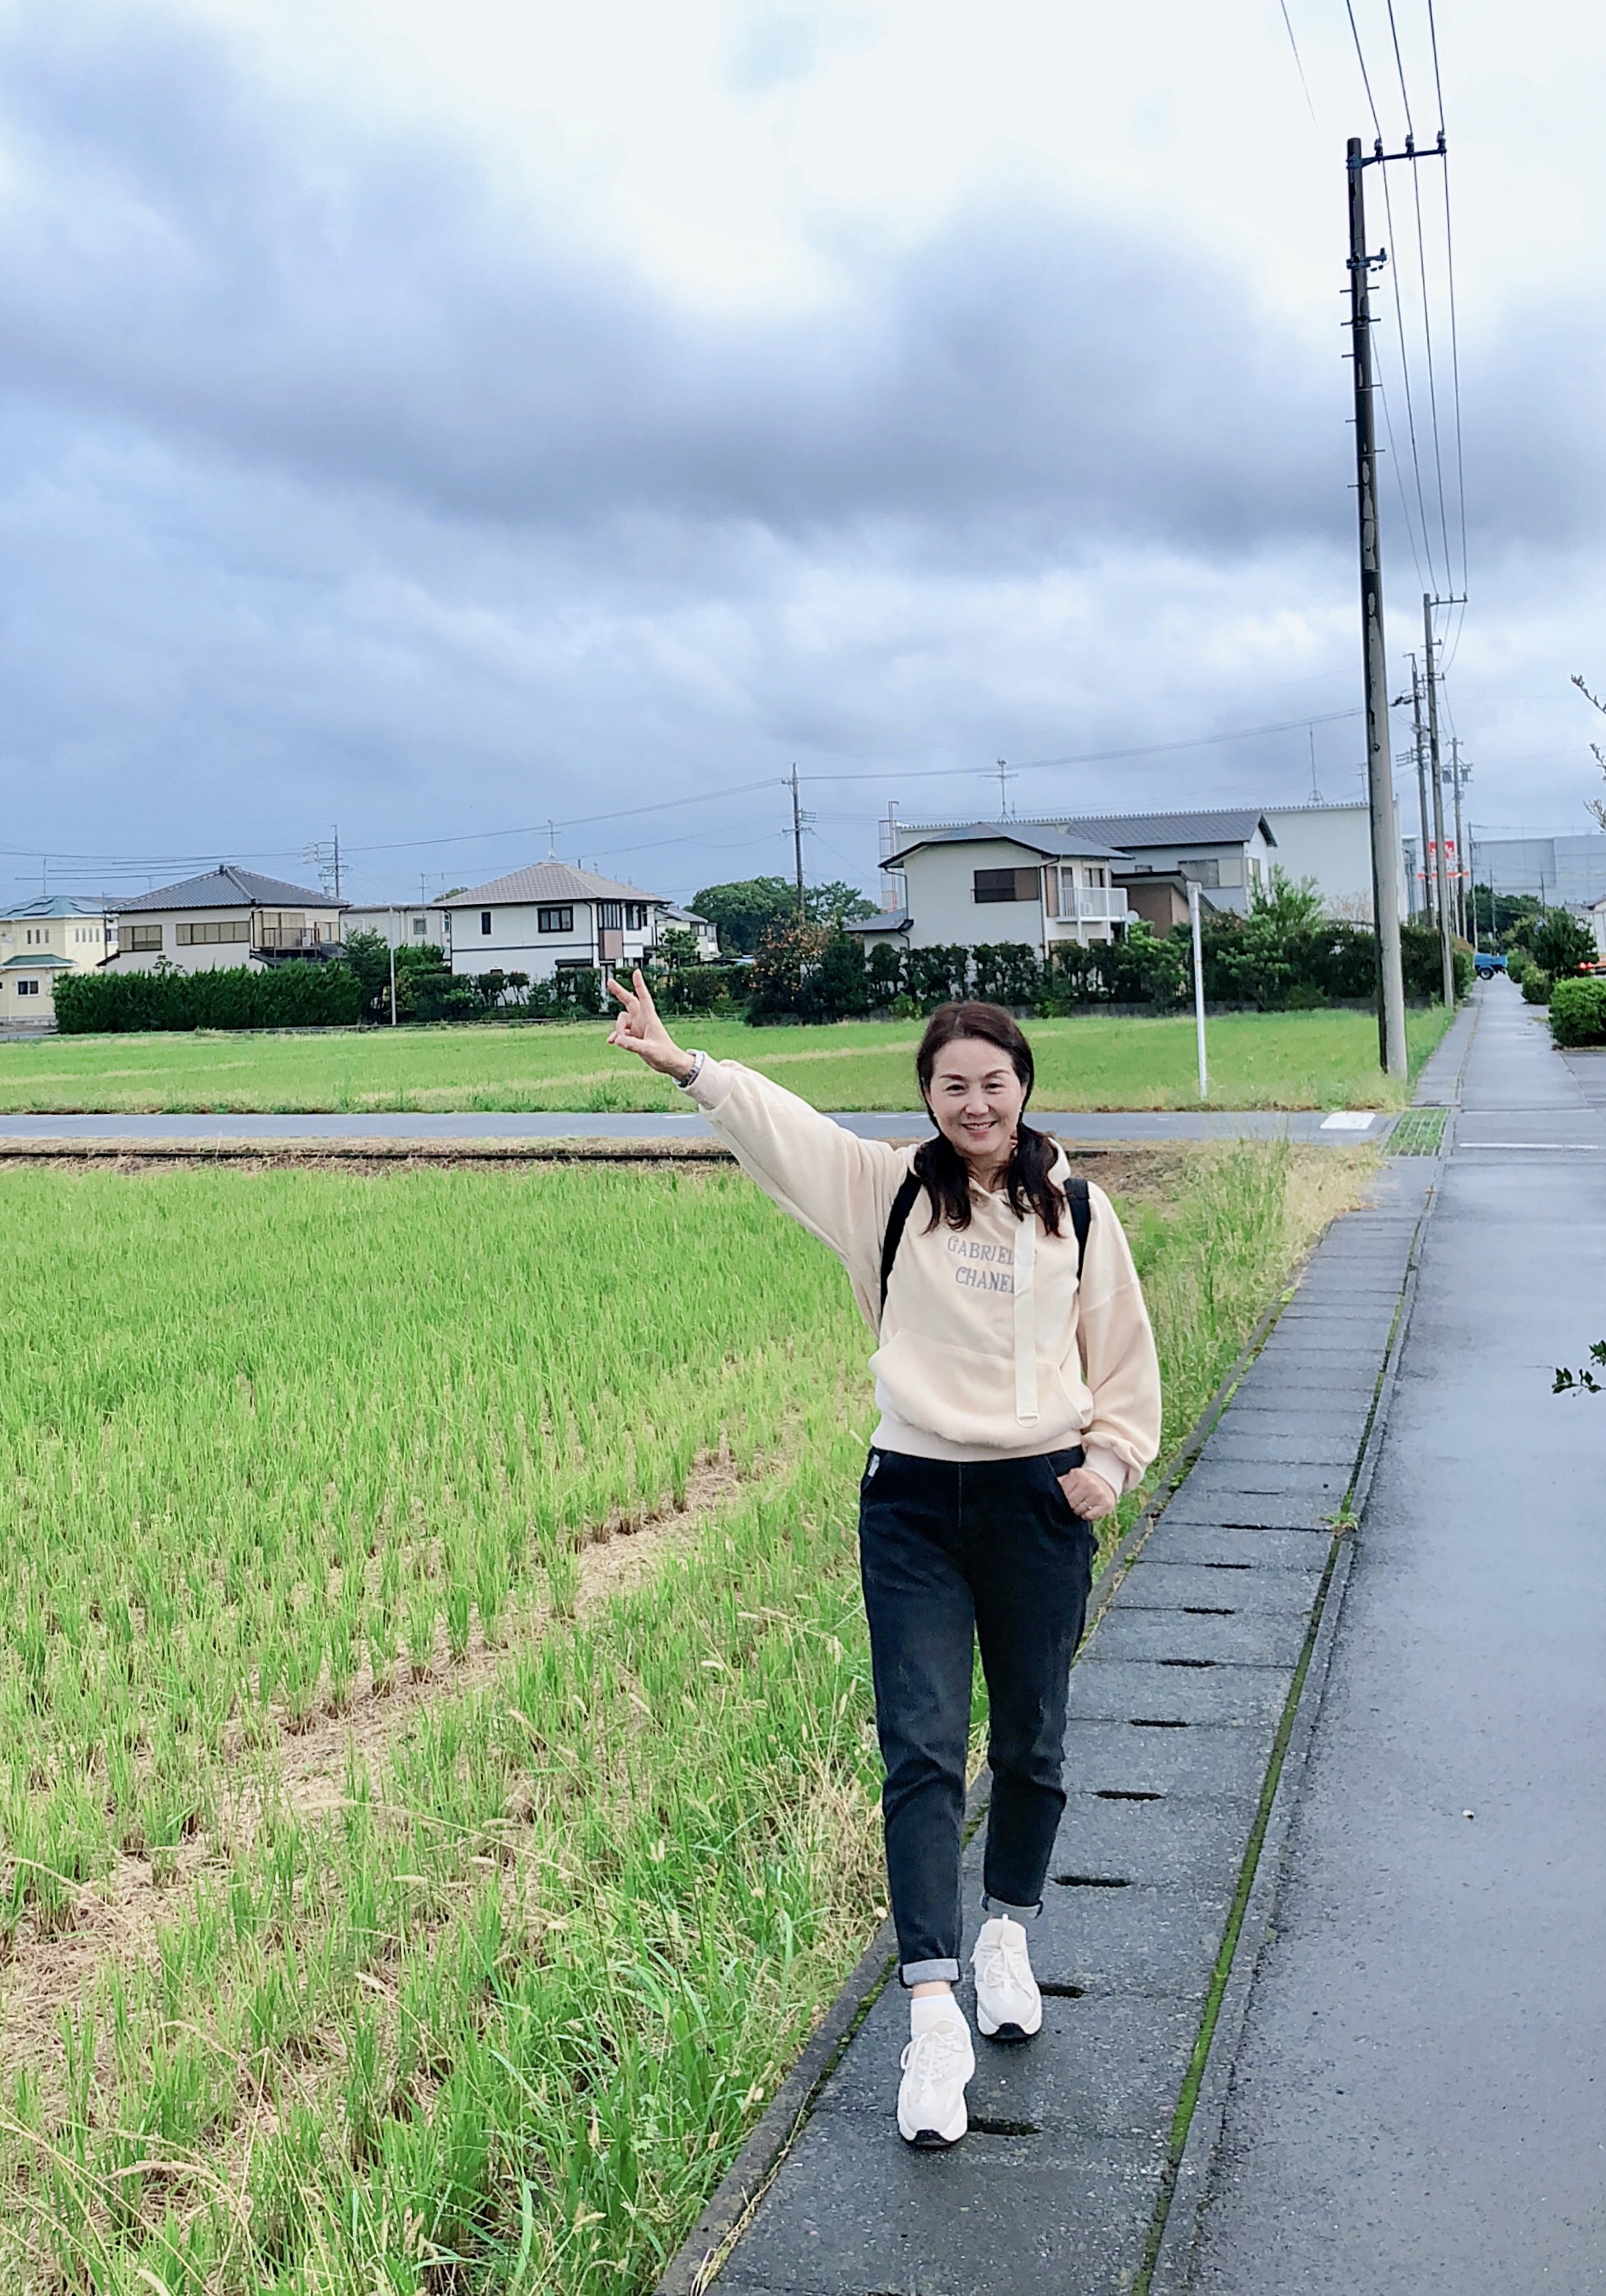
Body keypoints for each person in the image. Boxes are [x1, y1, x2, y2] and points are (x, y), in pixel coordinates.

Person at [606, 977, 1161, 2148]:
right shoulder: (887, 1192)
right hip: (909, 1498)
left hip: (1036, 1499)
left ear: (1022, 1089)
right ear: (927, 1096)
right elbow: (781, 1127)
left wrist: (1104, 1468)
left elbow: (1120, 1360)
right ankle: (929, 2013)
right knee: (918, 1747)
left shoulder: (1079, 1212)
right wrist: (683, 1062)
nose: (973, 1101)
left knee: (1032, 1738)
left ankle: (1005, 1930)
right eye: (950, 1084)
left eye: (991, 1082)